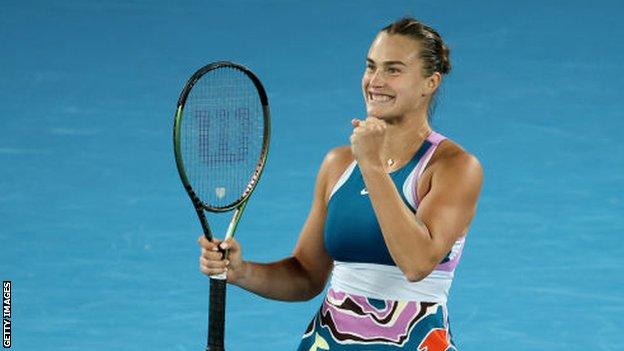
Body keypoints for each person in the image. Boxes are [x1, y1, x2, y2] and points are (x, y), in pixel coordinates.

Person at [198, 16, 483, 350]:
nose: (375, 81)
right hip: (328, 341)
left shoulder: (455, 167)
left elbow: (417, 263)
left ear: (429, 83)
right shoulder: (338, 164)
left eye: (393, 70)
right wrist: (241, 271)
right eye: (371, 67)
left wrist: (372, 166)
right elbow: (306, 275)